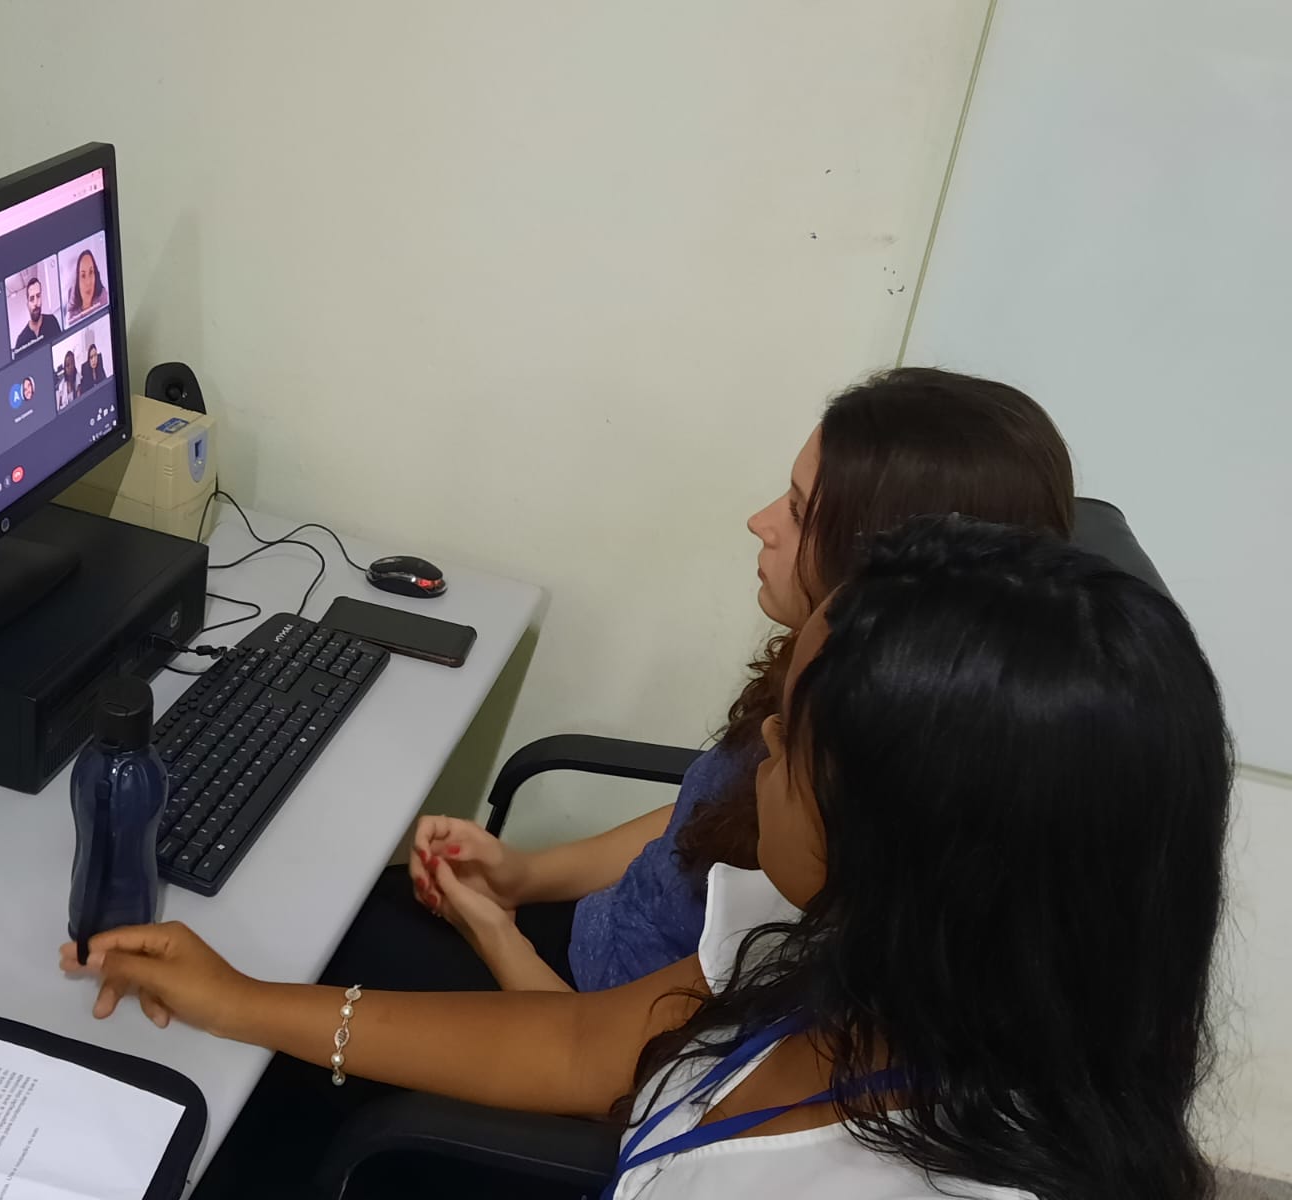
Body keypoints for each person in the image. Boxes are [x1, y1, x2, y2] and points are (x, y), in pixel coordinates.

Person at [64, 516, 1230, 1200]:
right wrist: (244, 1001)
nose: (760, 742)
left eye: (796, 738)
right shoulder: (865, 963)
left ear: (915, 842)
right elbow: (588, 1040)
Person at [210, 367, 1079, 1196]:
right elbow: (700, 820)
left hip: (588, 1025)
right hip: (596, 977)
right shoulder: (827, 764)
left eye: (801, 510)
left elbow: (608, 1066)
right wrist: (523, 875)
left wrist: (493, 932)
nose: (759, 521)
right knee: (329, 921)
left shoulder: (840, 889)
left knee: (287, 994)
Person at [14, 277, 61, 349]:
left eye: (38, 296)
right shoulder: (21, 341)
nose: (36, 303)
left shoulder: (52, 321)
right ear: (27, 304)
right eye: (32, 299)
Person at [66, 249, 107, 321]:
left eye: (91, 272)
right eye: (83, 275)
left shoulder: (103, 297)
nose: (88, 282)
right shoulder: (71, 317)